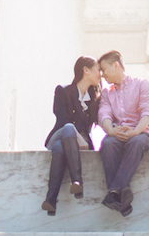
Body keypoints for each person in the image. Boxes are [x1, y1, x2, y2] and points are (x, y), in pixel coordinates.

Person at [42, 56, 102, 216]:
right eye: (98, 70)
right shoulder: (63, 91)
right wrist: (79, 136)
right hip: (59, 134)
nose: (100, 74)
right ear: (86, 70)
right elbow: (62, 119)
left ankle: (51, 200)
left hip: (71, 145)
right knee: (68, 128)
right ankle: (77, 181)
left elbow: (103, 119)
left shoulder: (94, 100)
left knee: (59, 148)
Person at [97, 50, 149, 217]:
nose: (102, 75)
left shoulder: (142, 85)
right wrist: (111, 130)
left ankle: (114, 192)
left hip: (139, 134)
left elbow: (147, 113)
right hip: (117, 134)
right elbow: (104, 114)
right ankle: (120, 194)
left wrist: (135, 131)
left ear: (116, 65)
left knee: (136, 143)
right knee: (107, 143)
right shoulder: (107, 93)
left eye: (103, 69)